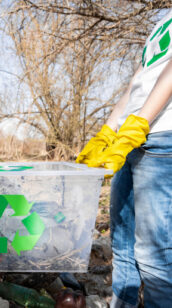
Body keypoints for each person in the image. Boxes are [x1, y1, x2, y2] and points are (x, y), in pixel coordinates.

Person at [77, 9, 172, 308]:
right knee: (122, 244)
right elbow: (137, 83)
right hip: (130, 137)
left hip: (161, 137)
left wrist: (141, 122)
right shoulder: (161, 22)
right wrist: (108, 131)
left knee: (155, 256)